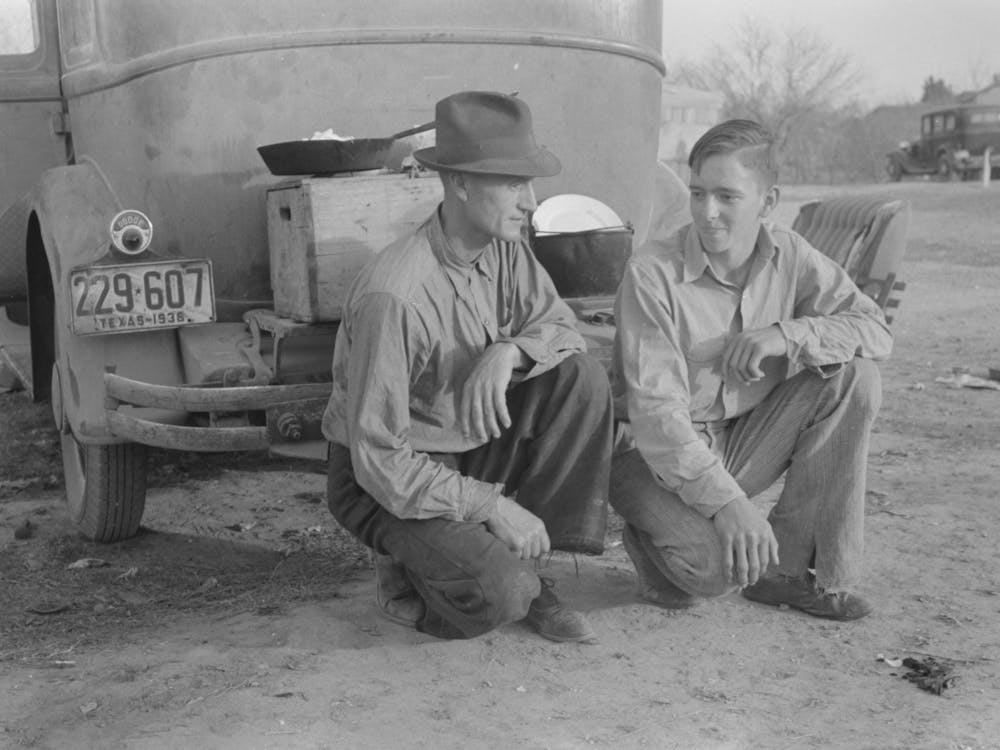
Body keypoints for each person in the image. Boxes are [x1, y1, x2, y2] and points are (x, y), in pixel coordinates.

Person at [322, 91, 613, 642]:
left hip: (466, 440)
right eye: (512, 182)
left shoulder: (503, 247)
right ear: (457, 182)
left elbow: (561, 329)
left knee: (579, 378)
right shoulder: (397, 295)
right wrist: (492, 505)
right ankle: (414, 567)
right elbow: (379, 459)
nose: (530, 201)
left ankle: (531, 569)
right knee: (498, 598)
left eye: (529, 183)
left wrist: (510, 352)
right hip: (382, 474)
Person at [610, 119, 893, 620]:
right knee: (716, 572)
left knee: (855, 379)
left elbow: (874, 330)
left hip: (740, 440)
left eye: (726, 196)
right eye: (697, 194)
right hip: (647, 458)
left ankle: (788, 576)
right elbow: (657, 420)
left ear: (767, 202)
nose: (706, 213)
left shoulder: (792, 255)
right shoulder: (652, 272)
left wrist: (786, 334)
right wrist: (729, 506)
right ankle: (655, 538)